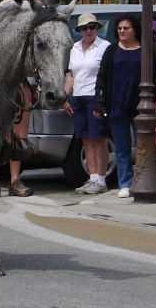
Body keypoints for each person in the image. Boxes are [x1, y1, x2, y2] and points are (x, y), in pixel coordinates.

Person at [93, 14, 156, 199]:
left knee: (144, 147)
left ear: (135, 30)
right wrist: (99, 103)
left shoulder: (146, 50)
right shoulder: (112, 50)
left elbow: (155, 77)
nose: (122, 31)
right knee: (122, 147)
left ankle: (144, 180)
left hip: (142, 106)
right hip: (117, 104)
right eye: (119, 28)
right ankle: (125, 182)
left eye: (126, 28)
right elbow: (102, 77)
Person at [65, 13, 111, 195]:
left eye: (92, 27)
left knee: (99, 138)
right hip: (79, 97)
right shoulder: (75, 48)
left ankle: (101, 178)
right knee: (85, 139)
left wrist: (103, 100)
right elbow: (71, 75)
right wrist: (64, 98)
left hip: (95, 96)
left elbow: (107, 76)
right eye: (84, 28)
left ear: (97, 28)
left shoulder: (104, 47)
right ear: (80, 31)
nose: (88, 30)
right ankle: (92, 178)